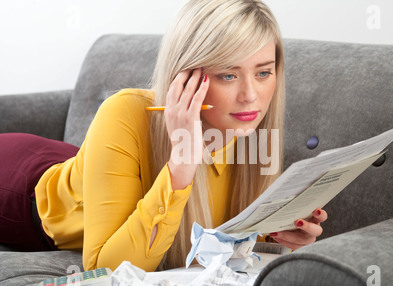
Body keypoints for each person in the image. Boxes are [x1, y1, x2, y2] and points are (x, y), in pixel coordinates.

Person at [0, 0, 327, 272]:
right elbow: (107, 269)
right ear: (184, 77)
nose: (250, 96)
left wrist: (278, 235)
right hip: (20, 188)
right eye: (228, 74)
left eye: (263, 73)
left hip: (76, 166)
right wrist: (181, 166)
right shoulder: (124, 112)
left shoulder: (251, 134)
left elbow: (226, 230)